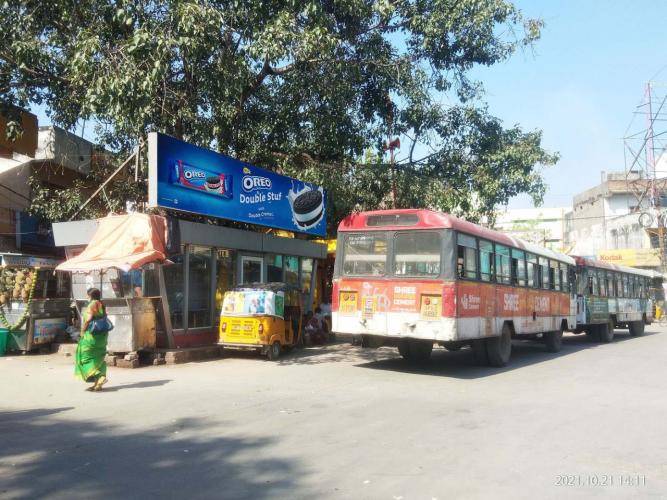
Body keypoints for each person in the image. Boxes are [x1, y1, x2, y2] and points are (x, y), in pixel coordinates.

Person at [74, 288, 110, 391]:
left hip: (91, 336)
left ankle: (99, 375)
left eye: (87, 295)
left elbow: (88, 320)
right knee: (98, 357)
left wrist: (82, 331)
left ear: (90, 295)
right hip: (102, 336)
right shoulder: (102, 304)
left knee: (85, 357)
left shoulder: (92, 304)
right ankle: (97, 384)